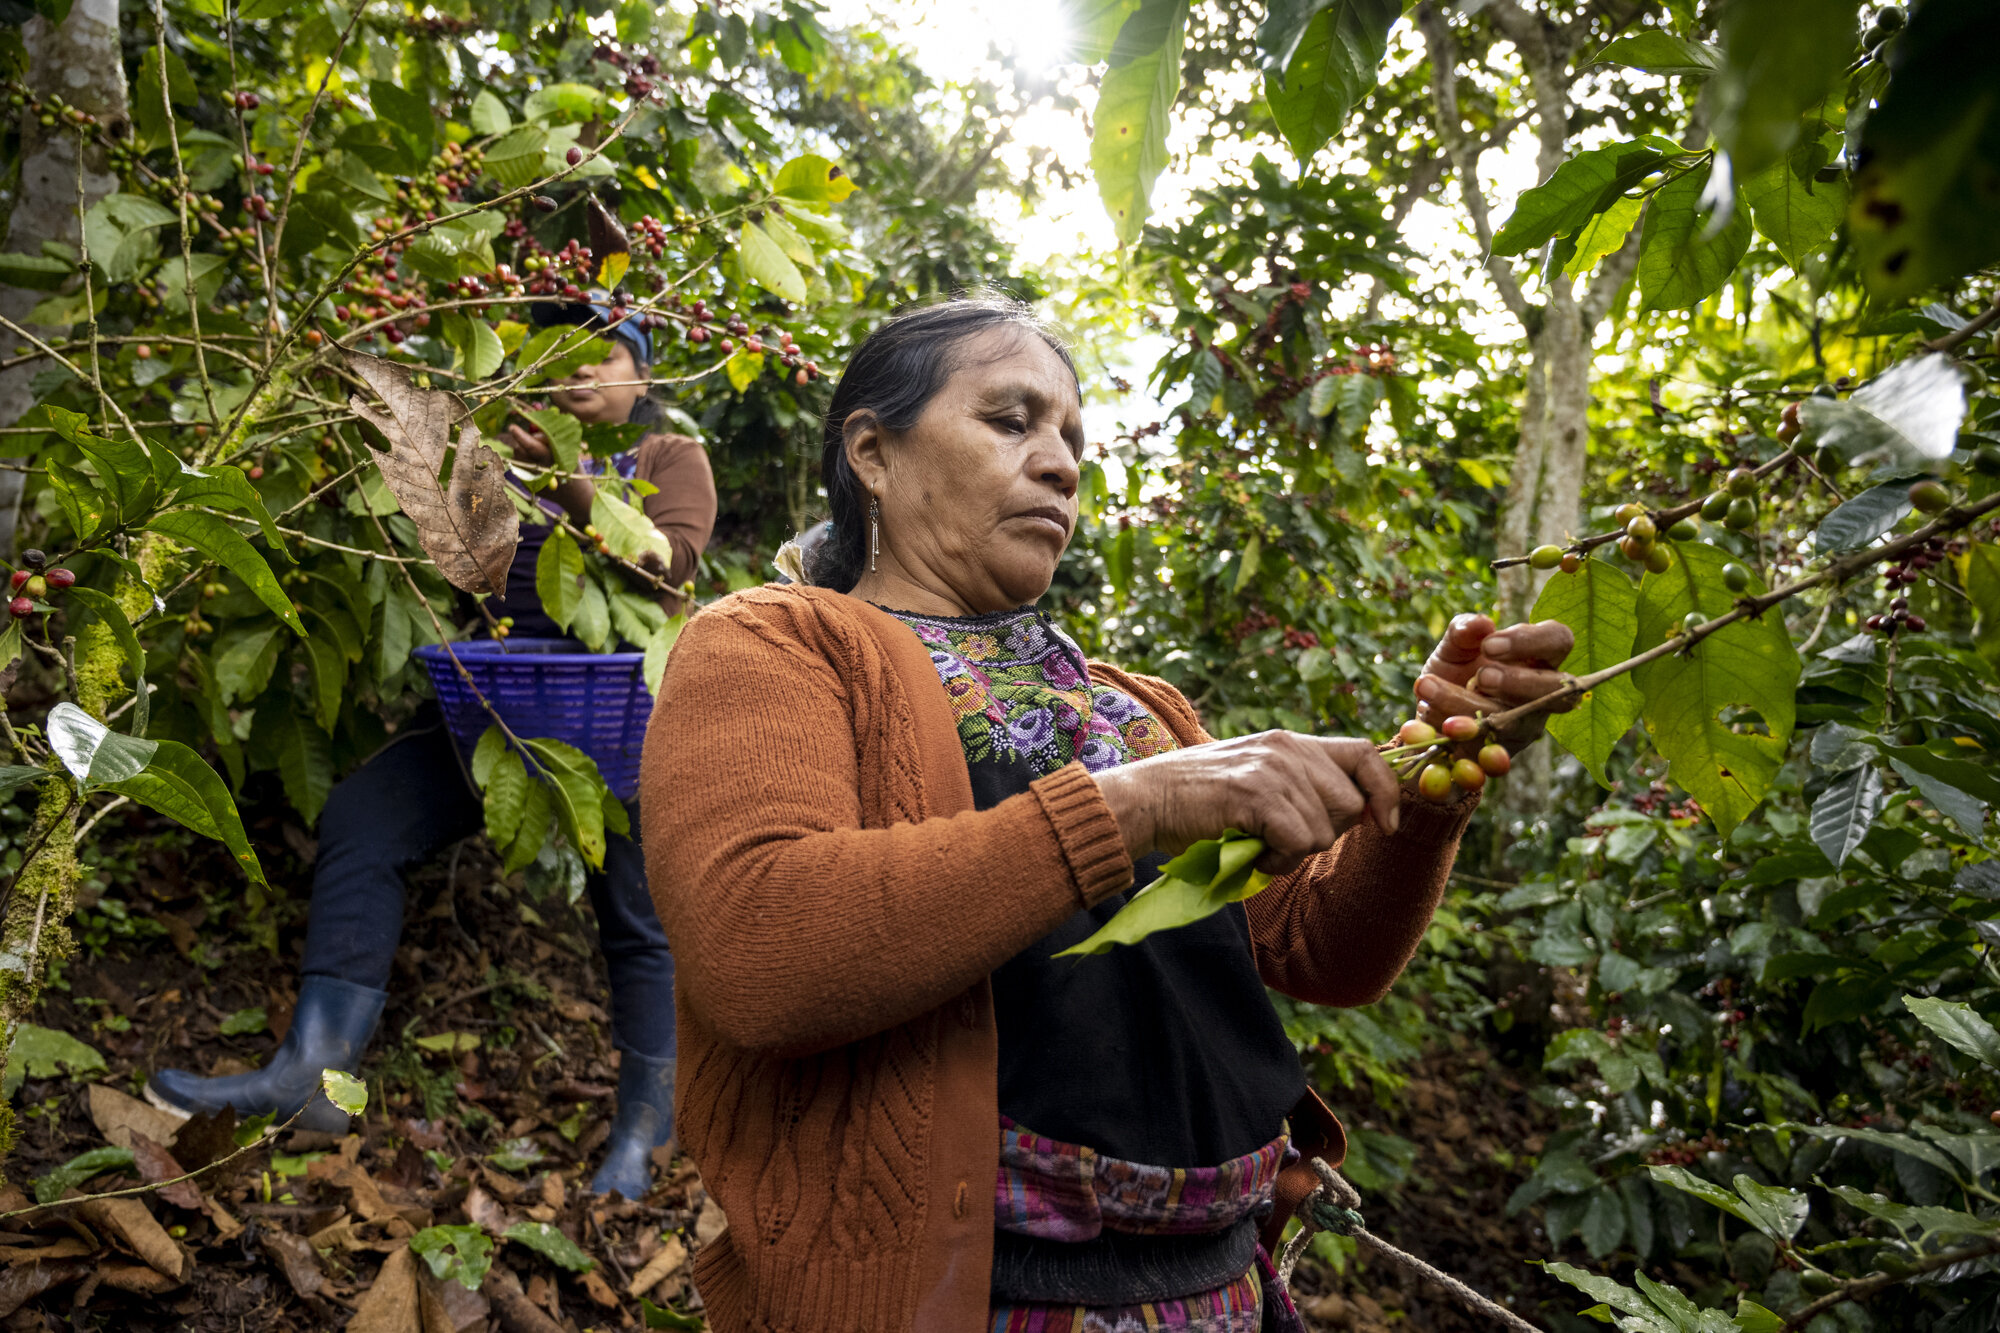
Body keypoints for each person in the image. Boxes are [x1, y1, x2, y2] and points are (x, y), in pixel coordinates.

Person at [640, 295, 1575, 1331]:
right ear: (872, 451)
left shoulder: (1137, 706)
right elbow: (758, 950)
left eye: (1071, 438)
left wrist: (1433, 774)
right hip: (974, 1296)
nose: (1059, 463)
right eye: (1010, 421)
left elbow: (1318, 950)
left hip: (1218, 1288)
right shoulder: (779, 644)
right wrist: (1132, 806)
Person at [148, 299, 716, 1200]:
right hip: (487, 701)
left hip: (617, 716)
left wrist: (563, 475)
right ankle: (317, 1073)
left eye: (608, 356)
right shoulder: (499, 456)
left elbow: (667, 564)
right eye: (566, 355)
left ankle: (647, 1128)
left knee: (636, 914)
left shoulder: (666, 459)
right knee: (362, 820)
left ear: (642, 375)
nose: (585, 371)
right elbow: (451, 570)